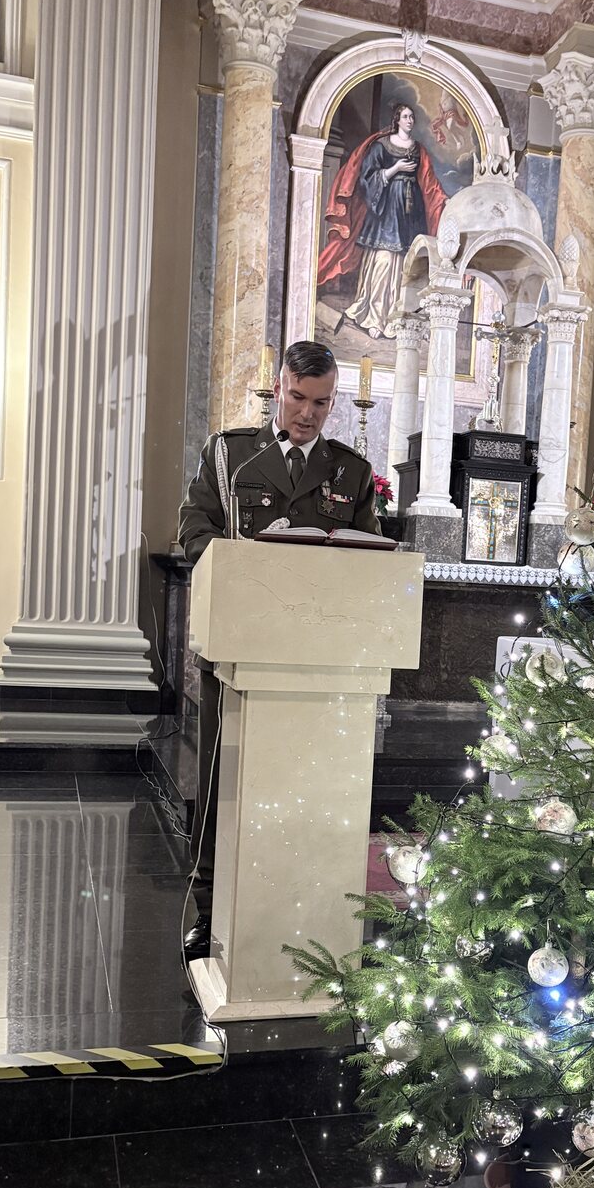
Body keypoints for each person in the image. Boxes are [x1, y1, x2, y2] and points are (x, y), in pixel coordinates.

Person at [176, 342, 381, 956]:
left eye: (322, 403)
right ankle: (209, 907)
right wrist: (245, 567)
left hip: (317, 656)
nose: (308, 414)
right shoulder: (231, 454)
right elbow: (193, 530)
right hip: (240, 646)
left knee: (309, 784)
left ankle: (302, 908)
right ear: (278, 387)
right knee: (222, 779)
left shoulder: (351, 472)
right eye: (298, 398)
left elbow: (368, 553)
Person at [316, 103, 446, 340]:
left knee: (406, 265)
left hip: (410, 211)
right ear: (397, 119)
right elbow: (366, 178)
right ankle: (374, 317)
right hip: (385, 210)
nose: (409, 120)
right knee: (383, 261)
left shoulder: (418, 149)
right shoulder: (381, 145)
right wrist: (395, 168)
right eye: (405, 116)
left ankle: (397, 318)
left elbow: (429, 181)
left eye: (411, 117)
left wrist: (443, 201)